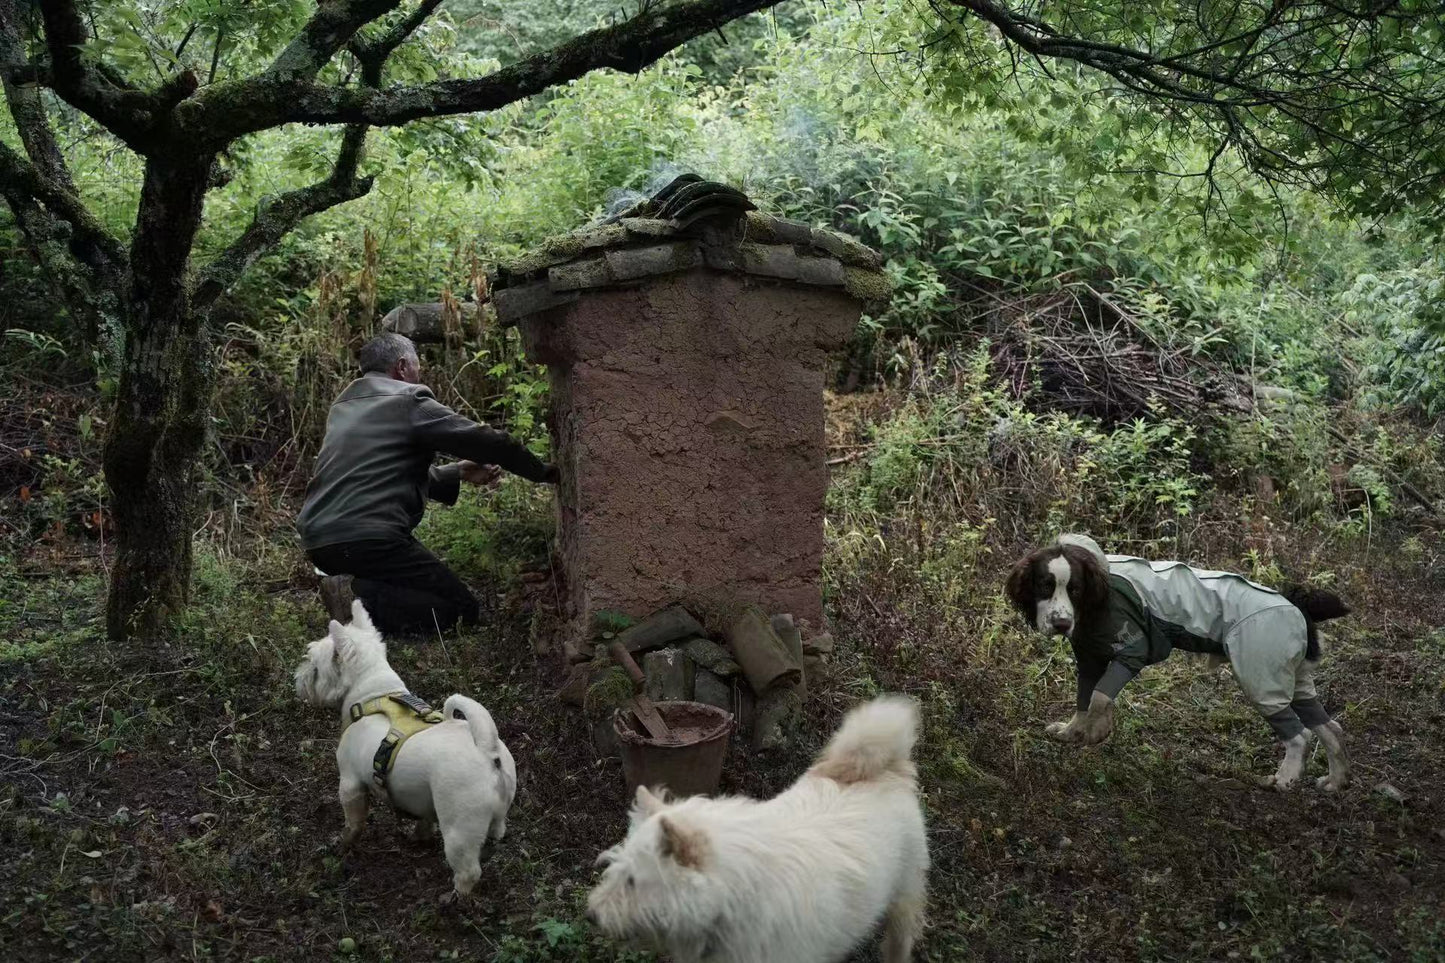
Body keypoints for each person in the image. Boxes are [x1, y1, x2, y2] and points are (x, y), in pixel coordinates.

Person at [297, 332, 557, 635]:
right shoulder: (406, 399)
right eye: (418, 366)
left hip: (320, 542)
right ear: (403, 366)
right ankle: (359, 601)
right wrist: (543, 472)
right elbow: (486, 441)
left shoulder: (344, 407)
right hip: (369, 540)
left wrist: (457, 471)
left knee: (409, 587)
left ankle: (357, 591)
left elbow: (379, 473)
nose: (420, 373)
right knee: (462, 613)